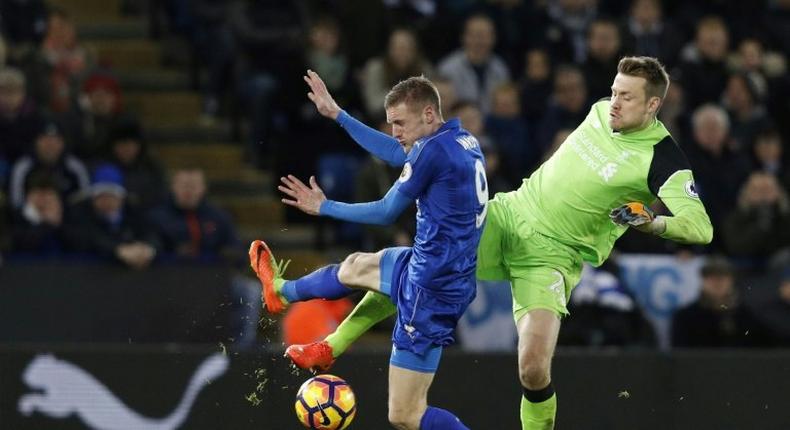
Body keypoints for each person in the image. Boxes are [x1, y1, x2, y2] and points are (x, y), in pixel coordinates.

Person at [285, 57, 714, 429]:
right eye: (614, 92)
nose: (615, 103)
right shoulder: (601, 111)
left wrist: (651, 222)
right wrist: (338, 114)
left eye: (628, 97)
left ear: (654, 105)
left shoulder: (663, 159)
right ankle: (331, 346)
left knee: (532, 368)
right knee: (420, 268)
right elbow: (406, 154)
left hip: (552, 257)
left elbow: (700, 228)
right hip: (508, 215)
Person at [251, 71, 485, 430]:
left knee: (405, 415)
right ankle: (281, 293)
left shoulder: (433, 152)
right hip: (437, 264)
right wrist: (338, 115)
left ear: (427, 114)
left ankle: (317, 331)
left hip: (431, 289)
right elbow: (396, 152)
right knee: (356, 267)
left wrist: (324, 206)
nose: (395, 132)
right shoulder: (460, 138)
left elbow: (386, 211)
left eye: (399, 123)